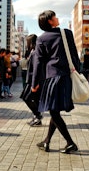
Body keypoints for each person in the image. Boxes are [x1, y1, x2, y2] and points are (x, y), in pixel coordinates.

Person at [32, 10, 79, 154]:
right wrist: (78, 73)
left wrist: (34, 83)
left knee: (53, 111)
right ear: (50, 21)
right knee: (55, 110)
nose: (57, 18)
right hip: (65, 77)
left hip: (51, 78)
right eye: (54, 17)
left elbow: (38, 63)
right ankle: (46, 141)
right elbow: (74, 56)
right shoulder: (67, 34)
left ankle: (70, 143)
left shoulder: (41, 39)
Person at [20, 34, 43, 126]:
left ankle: (38, 115)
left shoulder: (35, 52)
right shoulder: (35, 51)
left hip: (33, 81)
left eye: (27, 42)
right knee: (35, 99)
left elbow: (37, 68)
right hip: (33, 80)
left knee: (26, 97)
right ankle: (37, 118)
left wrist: (35, 83)